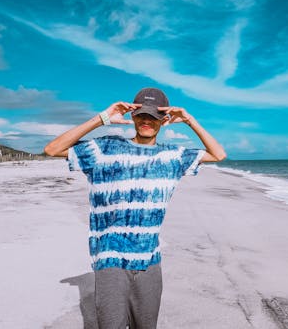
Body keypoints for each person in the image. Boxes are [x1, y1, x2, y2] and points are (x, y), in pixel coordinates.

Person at [44, 87, 226, 329]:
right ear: (132, 116)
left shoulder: (172, 156)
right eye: (141, 114)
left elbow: (218, 154)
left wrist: (189, 120)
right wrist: (103, 118)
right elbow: (52, 149)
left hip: (150, 259)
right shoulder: (104, 149)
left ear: (163, 120)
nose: (146, 121)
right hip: (110, 259)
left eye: (153, 116)